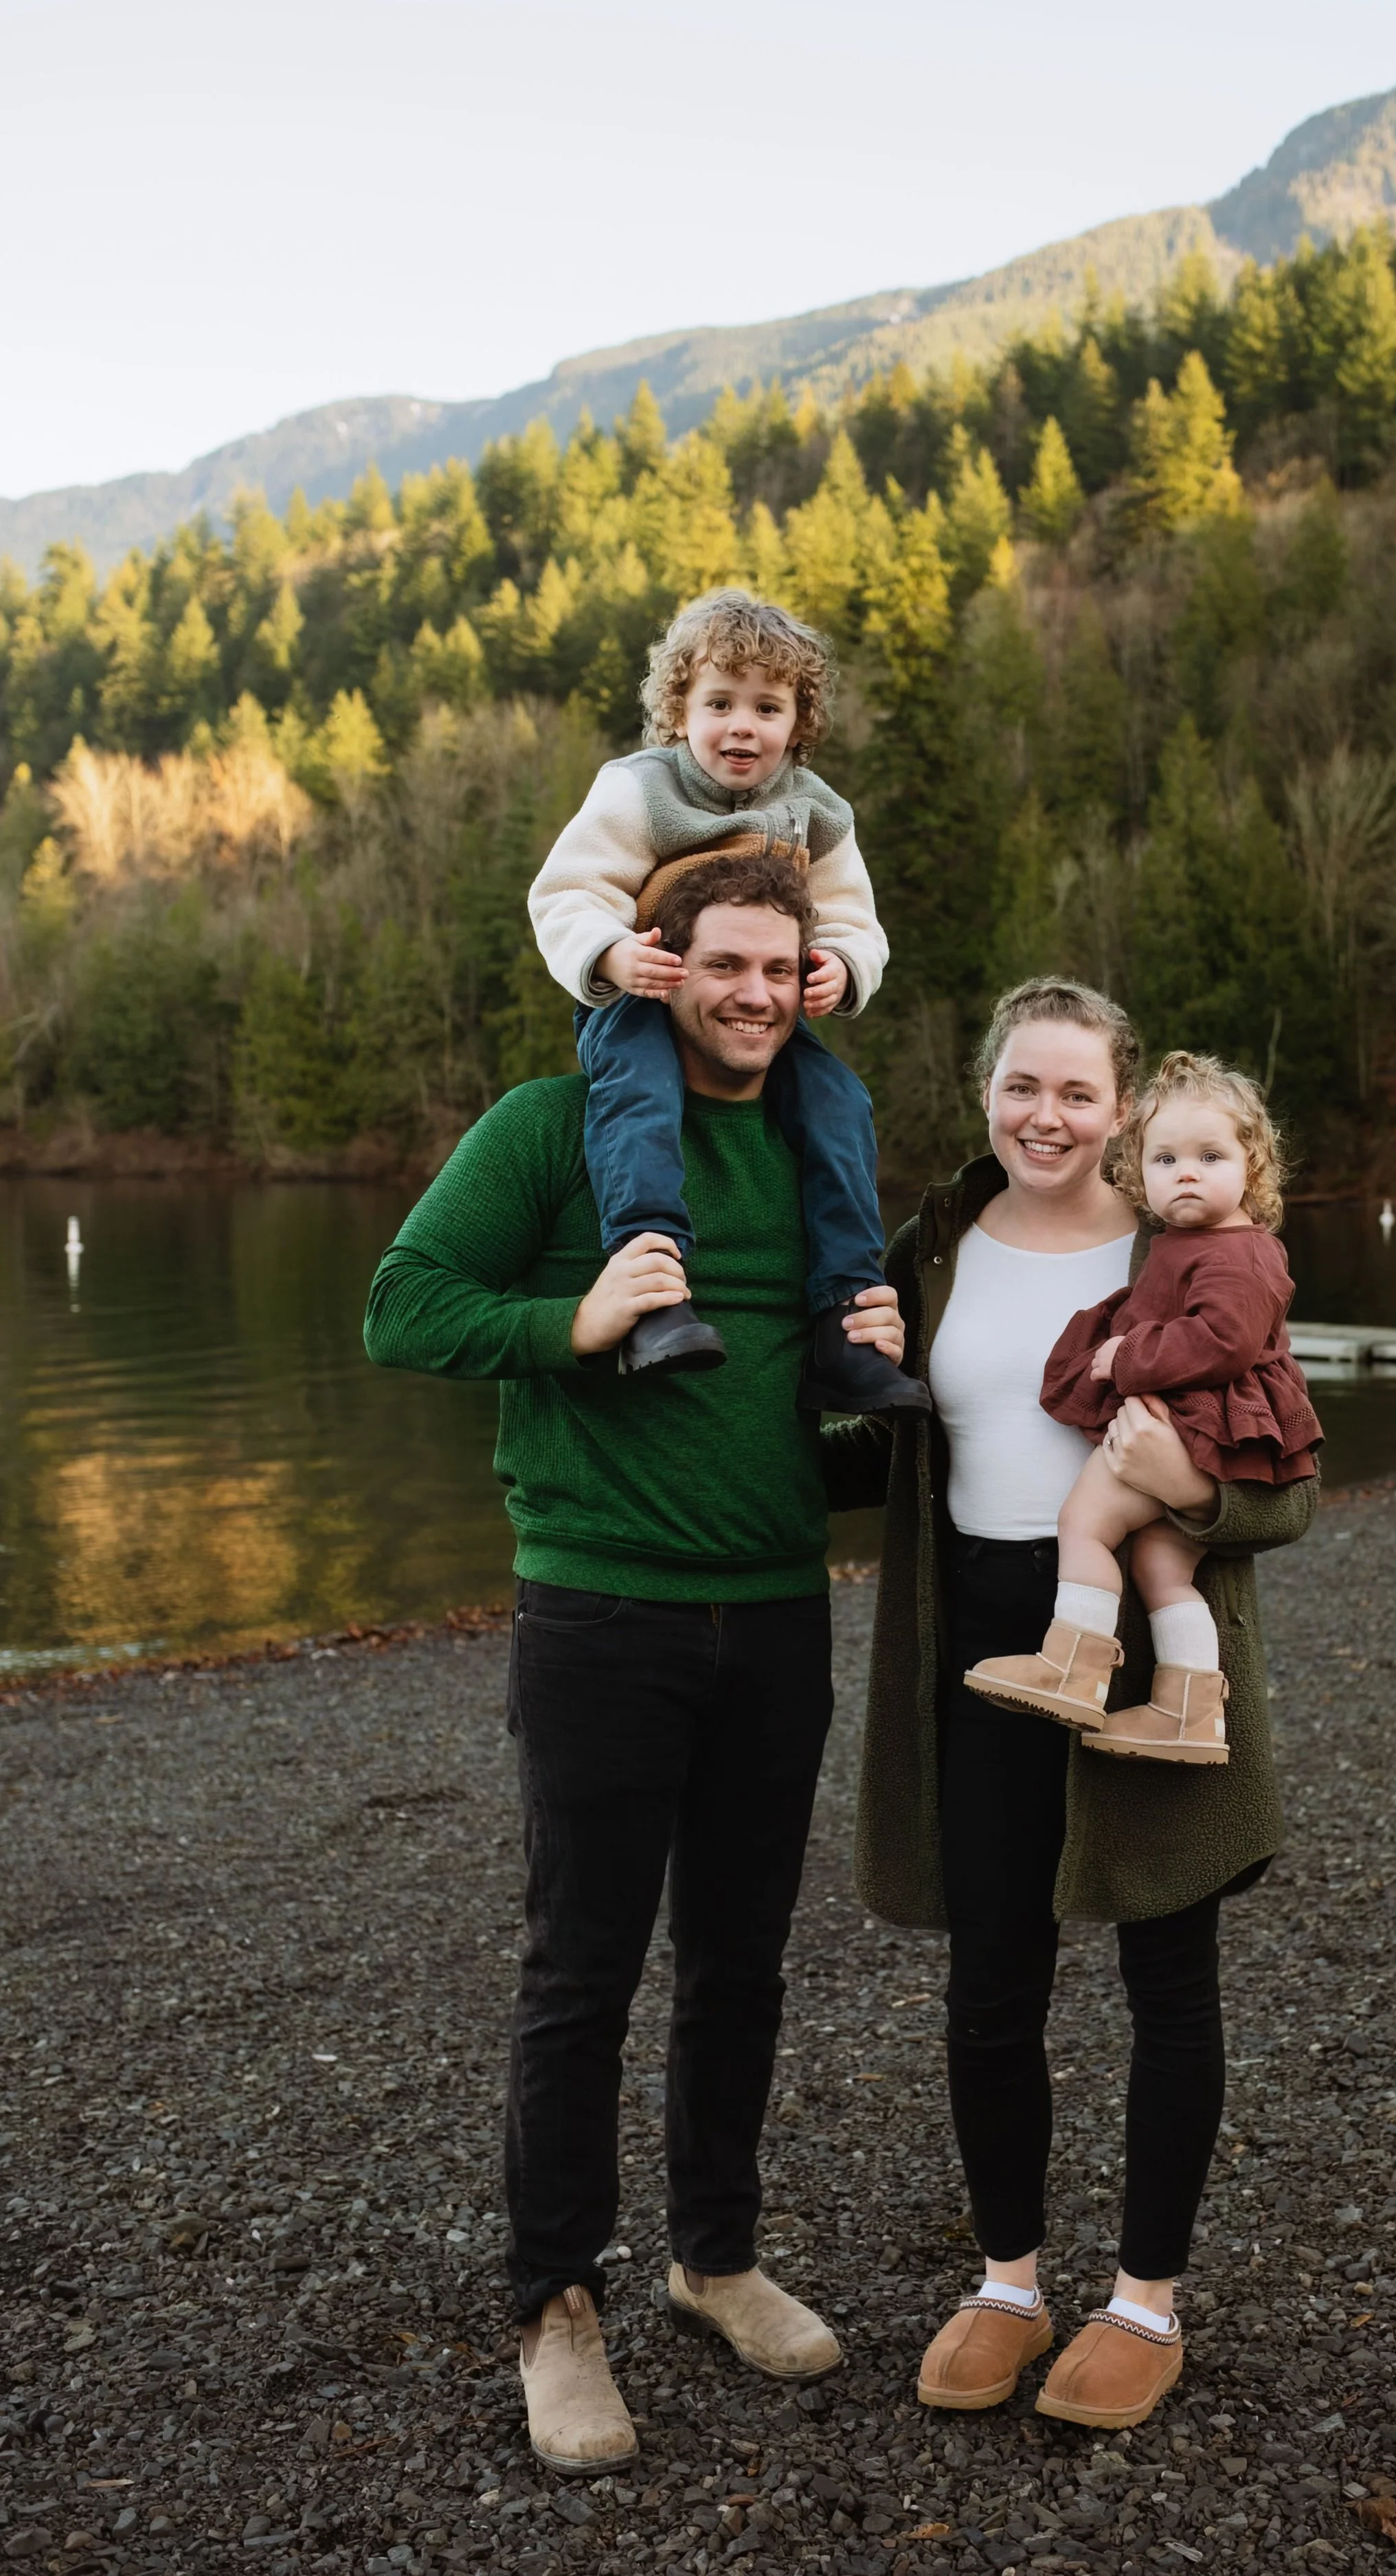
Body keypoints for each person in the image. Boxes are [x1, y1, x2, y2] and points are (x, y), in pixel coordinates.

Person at [364, 852, 909, 2477]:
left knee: (741, 1957)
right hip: (601, 1610)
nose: (749, 992)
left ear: (807, 976)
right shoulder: (553, 1126)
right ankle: (555, 2301)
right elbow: (403, 1306)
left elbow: (806, 1413)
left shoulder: (821, 1141)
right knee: (581, 1967)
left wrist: (887, 1373)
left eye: (777, 966)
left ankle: (714, 2252)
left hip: (779, 1606)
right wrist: (575, 1323)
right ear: (657, 964)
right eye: (719, 962)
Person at [822, 979, 1317, 2432]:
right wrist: (750, 1432)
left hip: (1149, 1638)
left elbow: (1283, 1488)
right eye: (1019, 1088)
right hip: (979, 1641)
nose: (1045, 1117)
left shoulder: (1189, 1242)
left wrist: (1196, 1492)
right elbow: (894, 1450)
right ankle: (1007, 2284)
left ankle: (1143, 2302)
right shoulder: (926, 1248)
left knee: (1166, 1983)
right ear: (985, 1091)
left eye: (1076, 1094)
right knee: (991, 1982)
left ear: (1119, 1110)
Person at [528, 585, 926, 1416]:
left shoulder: (818, 811)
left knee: (839, 1103)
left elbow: (857, 919)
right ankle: (654, 1296)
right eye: (719, 703)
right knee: (639, 1098)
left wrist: (844, 967)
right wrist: (610, 952)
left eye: (766, 707)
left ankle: (843, 1327)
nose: (742, 726)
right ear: (679, 711)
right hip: (643, 998)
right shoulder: (639, 789)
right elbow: (566, 892)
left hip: (756, 1019)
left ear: (798, 721)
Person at [967, 1048, 1321, 1763]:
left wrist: (1128, 1357)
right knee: (1163, 1566)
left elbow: (1224, 1339)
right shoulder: (1194, 1243)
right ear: (1137, 1171)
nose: (1185, 1172)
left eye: (1209, 1156)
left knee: (1085, 1524)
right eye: (1164, 1161)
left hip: (1185, 1425)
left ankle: (1073, 1666)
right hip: (1201, 1425)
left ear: (1254, 1167)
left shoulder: (1237, 1252)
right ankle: (1188, 1707)